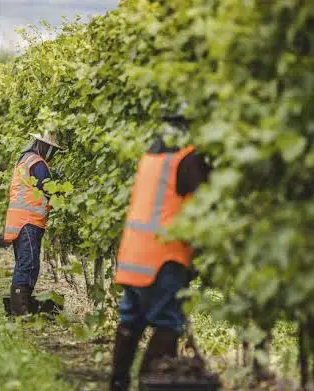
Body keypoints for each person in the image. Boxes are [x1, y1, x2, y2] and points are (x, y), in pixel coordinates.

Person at [109, 115, 211, 390]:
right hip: (164, 258)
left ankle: (117, 383)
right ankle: (149, 383)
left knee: (131, 319)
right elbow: (208, 204)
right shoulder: (187, 160)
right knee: (168, 323)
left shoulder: (151, 157)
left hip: (134, 256)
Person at [3, 132, 65, 316]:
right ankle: (19, 311)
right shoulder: (37, 163)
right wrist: (62, 199)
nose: (52, 154)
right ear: (43, 146)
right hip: (27, 221)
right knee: (27, 264)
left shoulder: (25, 160)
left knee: (29, 264)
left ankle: (23, 307)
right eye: (52, 149)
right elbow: (48, 190)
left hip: (23, 220)